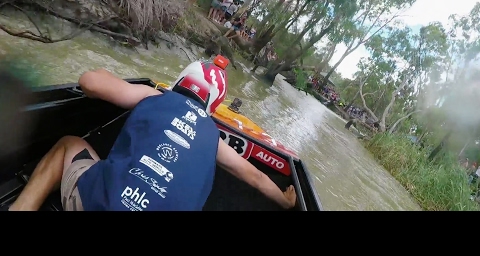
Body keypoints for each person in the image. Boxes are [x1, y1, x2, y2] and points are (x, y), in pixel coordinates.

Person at [9, 60, 296, 211]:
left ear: (181, 80)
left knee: (68, 144)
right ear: (213, 105)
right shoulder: (213, 139)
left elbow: (89, 83)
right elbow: (256, 178)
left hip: (102, 204)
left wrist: (104, 71)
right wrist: (286, 202)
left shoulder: (152, 95)